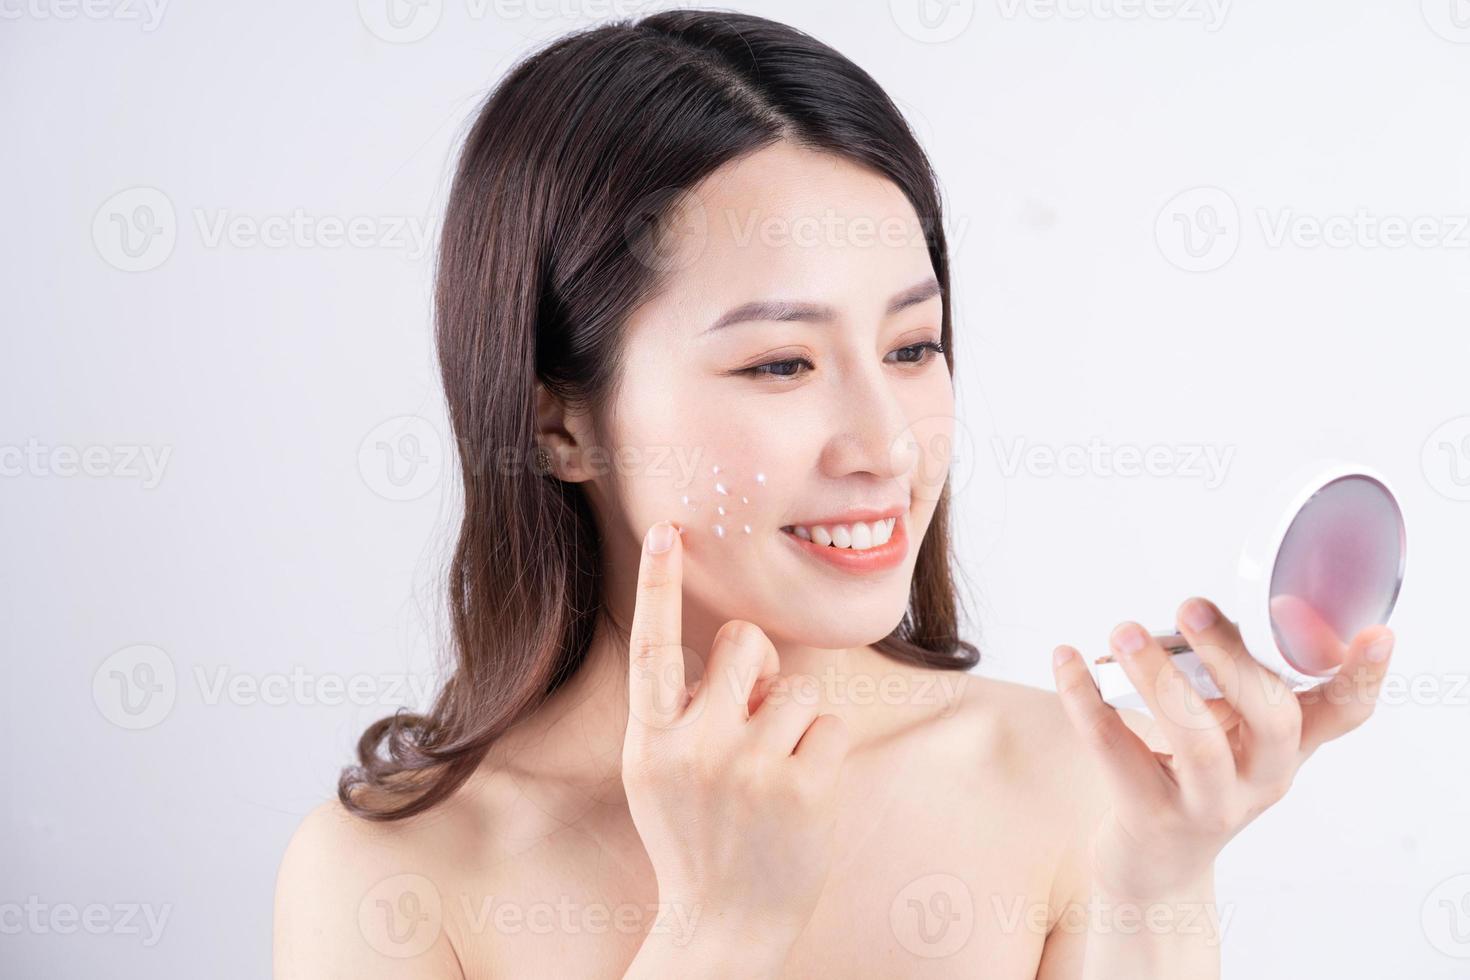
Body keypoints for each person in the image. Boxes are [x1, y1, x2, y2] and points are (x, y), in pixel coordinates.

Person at [273, 11, 1395, 977]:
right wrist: (718, 931)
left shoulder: (1070, 784)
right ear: (556, 421)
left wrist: (1154, 884)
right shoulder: (391, 876)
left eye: (912, 347)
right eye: (780, 364)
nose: (887, 444)